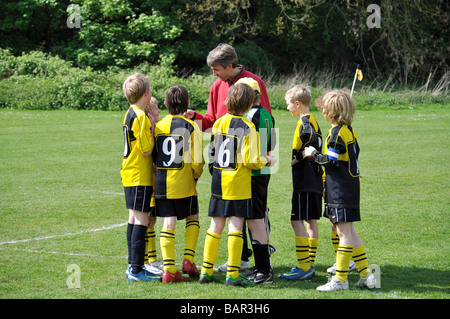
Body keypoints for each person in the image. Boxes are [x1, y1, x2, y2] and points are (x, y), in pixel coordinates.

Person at [199, 83, 277, 287]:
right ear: (249, 103)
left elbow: (213, 152)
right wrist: (267, 161)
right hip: (237, 183)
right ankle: (233, 274)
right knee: (235, 225)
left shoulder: (218, 123)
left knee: (215, 226)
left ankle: (206, 270)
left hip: (219, 181)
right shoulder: (248, 126)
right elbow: (250, 160)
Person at [303, 90, 376, 291]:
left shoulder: (336, 133)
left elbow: (330, 160)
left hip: (340, 189)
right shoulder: (348, 130)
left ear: (332, 112)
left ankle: (340, 280)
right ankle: (366, 275)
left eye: (324, 110)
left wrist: (313, 153)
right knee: (350, 232)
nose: (322, 113)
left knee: (344, 233)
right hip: (351, 187)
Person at [153, 85, 204, 283]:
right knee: (192, 217)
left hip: (162, 184)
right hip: (185, 183)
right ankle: (188, 261)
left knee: (168, 222)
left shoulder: (159, 126)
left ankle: (168, 270)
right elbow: (197, 160)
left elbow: (155, 156)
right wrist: (195, 177)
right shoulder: (191, 126)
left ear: (165, 104)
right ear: (187, 103)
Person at [235, 77, 276, 284]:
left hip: (253, 172)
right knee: (255, 219)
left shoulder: (249, 115)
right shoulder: (268, 113)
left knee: (255, 221)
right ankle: (262, 267)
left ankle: (264, 270)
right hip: (263, 171)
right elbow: (271, 142)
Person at [280, 86, 323, 281]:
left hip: (305, 180)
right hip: (313, 179)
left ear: (297, 104)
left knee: (295, 221)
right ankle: (309, 264)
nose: (288, 108)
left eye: (288, 104)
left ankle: (304, 266)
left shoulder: (305, 122)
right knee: (310, 221)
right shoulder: (312, 119)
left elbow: (311, 141)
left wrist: (297, 157)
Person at [121, 73, 161, 282]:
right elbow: (146, 150)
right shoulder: (142, 116)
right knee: (142, 219)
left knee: (133, 218)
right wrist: (153, 129)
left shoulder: (130, 111)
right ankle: (136, 269)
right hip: (140, 175)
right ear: (146, 93)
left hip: (129, 173)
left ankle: (133, 265)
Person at [185, 43, 272, 133]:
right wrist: (194, 117)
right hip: (222, 145)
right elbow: (211, 125)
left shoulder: (254, 82)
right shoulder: (216, 86)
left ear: (229, 66)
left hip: (248, 144)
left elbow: (266, 120)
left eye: (216, 69)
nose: (214, 74)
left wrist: (268, 146)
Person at [142, 97, 164, 274]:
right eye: (156, 109)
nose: (159, 112)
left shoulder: (155, 128)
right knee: (147, 221)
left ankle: (152, 259)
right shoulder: (148, 129)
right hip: (147, 182)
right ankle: (145, 260)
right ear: (148, 113)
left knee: (152, 220)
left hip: (154, 182)